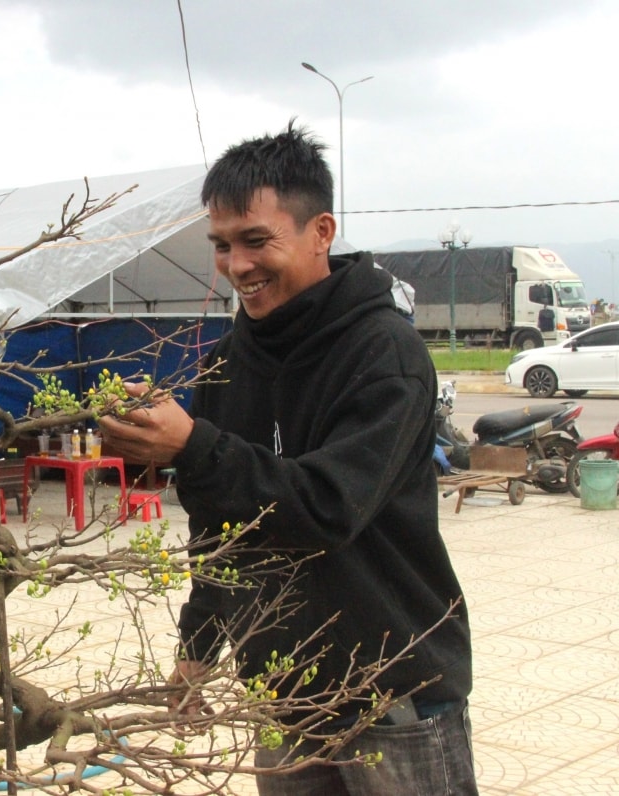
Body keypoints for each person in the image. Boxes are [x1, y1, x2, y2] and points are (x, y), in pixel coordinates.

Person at [99, 122, 475, 795]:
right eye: (221, 245)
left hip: (393, 691)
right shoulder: (226, 363)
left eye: (256, 241)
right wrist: (196, 653)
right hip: (284, 694)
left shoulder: (383, 355)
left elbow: (330, 506)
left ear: (320, 232)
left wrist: (194, 444)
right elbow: (221, 531)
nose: (237, 265)